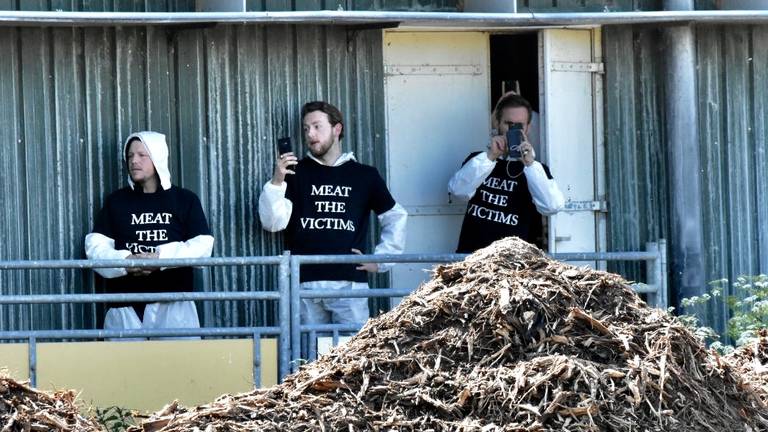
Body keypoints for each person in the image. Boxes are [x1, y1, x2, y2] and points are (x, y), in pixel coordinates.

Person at [259, 101, 407, 325]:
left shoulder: (364, 175)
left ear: (337, 129)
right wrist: (277, 181)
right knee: (308, 355)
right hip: (304, 283)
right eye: (306, 128)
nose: (311, 134)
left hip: (349, 284)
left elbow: (395, 216)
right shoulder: (294, 173)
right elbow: (272, 223)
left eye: (317, 126)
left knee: (350, 354)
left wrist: (380, 260)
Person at [85, 131, 214, 334]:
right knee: (123, 366)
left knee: (178, 365)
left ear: (158, 157)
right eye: (129, 156)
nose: (134, 161)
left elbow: (203, 246)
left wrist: (161, 258)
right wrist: (126, 261)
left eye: (141, 155)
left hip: (174, 305)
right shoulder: (116, 201)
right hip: (125, 306)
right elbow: (95, 247)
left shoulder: (184, 199)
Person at [449, 93, 564, 253]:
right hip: (472, 259)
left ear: (528, 128)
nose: (512, 130)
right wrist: (490, 157)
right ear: (497, 123)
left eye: (519, 126)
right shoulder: (478, 159)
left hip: (513, 265)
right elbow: (457, 192)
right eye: (508, 124)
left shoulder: (536, 169)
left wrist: (529, 164)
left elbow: (552, 207)